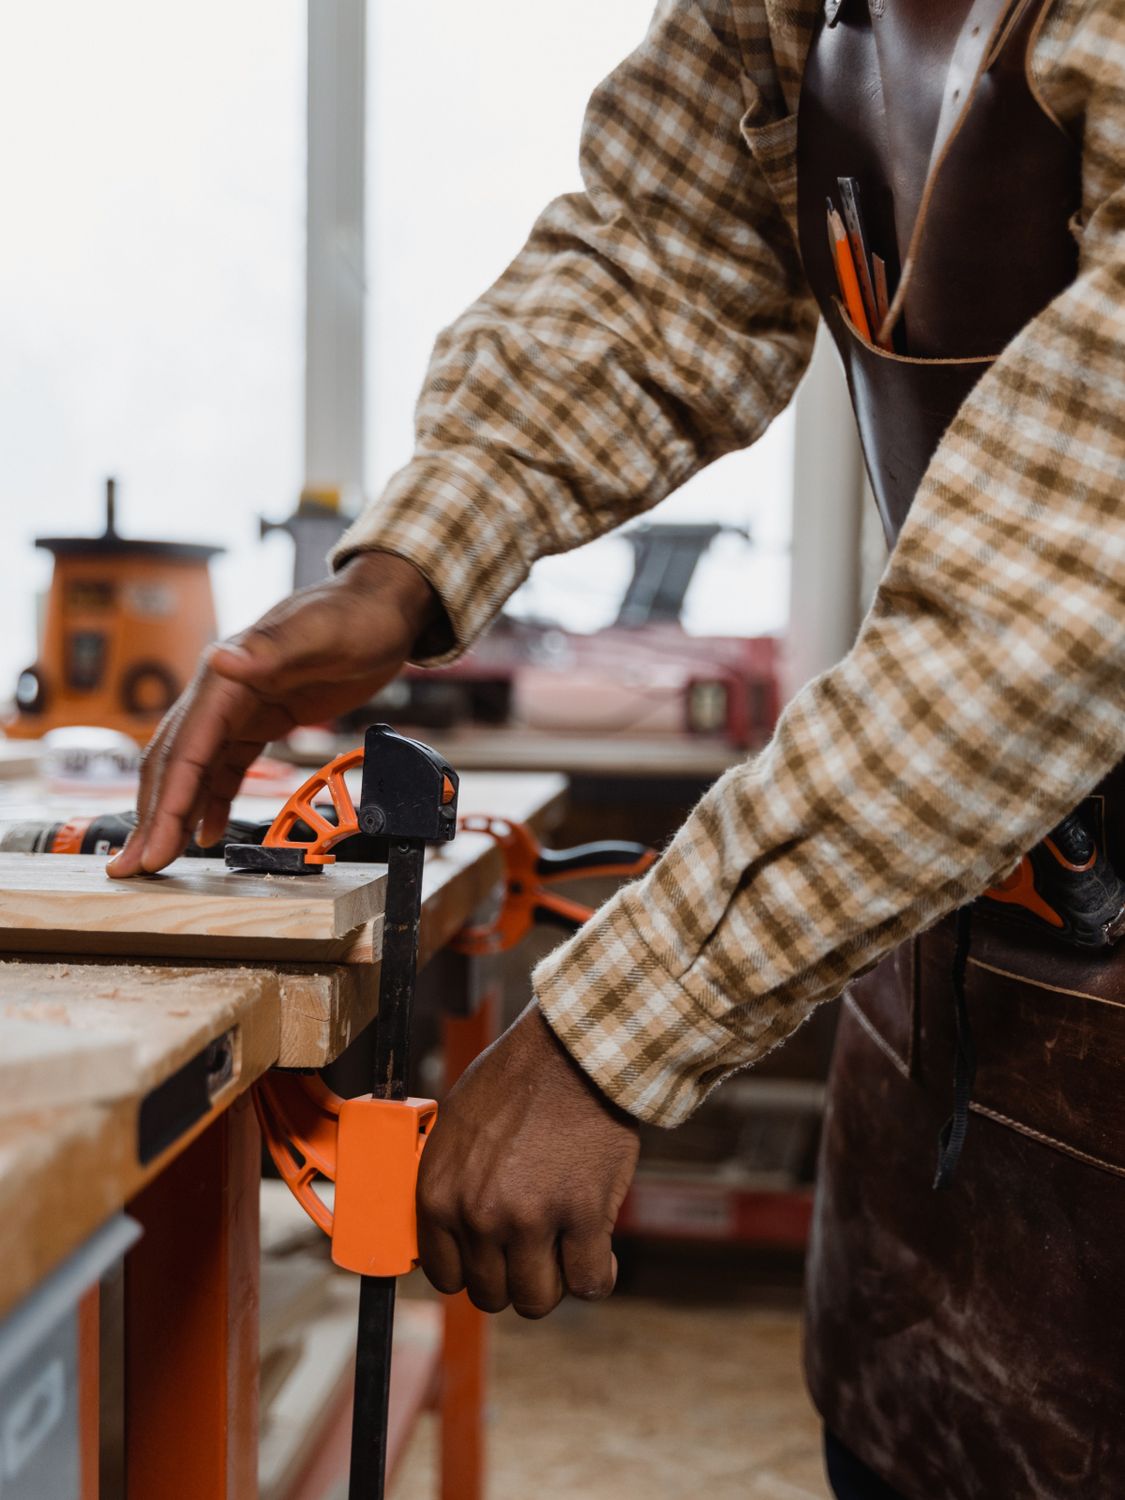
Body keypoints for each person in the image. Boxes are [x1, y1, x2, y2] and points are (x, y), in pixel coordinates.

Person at [108, 1, 1125, 1494]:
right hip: (967, 986)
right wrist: (401, 574)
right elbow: (656, 266)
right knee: (912, 1441)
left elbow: (1055, 601)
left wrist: (603, 1036)